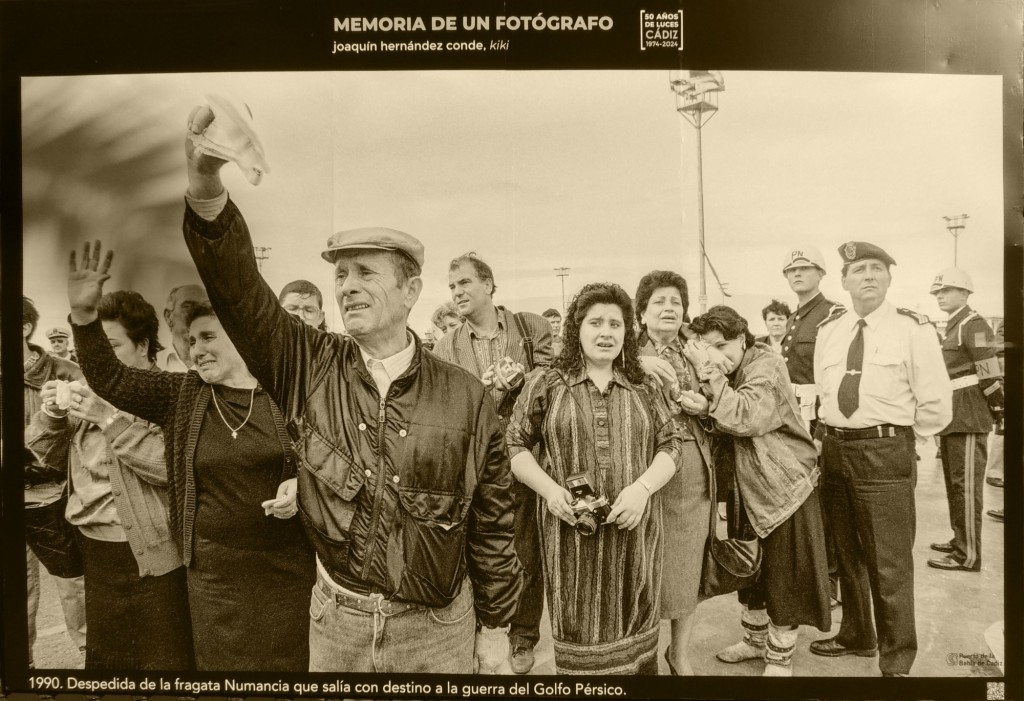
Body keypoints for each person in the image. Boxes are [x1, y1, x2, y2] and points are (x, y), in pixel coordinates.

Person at [177, 103, 522, 674]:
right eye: (341, 274)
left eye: (366, 273)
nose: (348, 287)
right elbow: (237, 291)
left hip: (437, 632)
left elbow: (491, 523)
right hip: (338, 625)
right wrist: (206, 184)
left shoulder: (466, 396)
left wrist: (496, 629)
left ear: (411, 290)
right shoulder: (308, 364)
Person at [67, 252, 314, 672]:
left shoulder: (290, 394)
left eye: (207, 337)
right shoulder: (183, 394)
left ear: (239, 336)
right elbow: (110, 378)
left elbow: (328, 464)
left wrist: (303, 487)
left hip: (287, 576)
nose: (194, 349)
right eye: (191, 340)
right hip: (212, 582)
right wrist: (83, 314)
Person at [506, 282, 681, 675]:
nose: (606, 332)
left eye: (616, 324)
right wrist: (550, 492)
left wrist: (642, 489)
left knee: (638, 642)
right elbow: (515, 445)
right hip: (569, 535)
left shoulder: (643, 385)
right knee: (579, 629)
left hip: (635, 533)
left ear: (626, 332)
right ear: (576, 329)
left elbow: (672, 445)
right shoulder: (546, 383)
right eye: (595, 323)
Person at [26, 290, 193, 670]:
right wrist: (51, 415)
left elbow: (170, 471)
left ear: (144, 345)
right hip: (95, 553)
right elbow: (41, 459)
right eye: (90, 349)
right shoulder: (86, 392)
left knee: (163, 665)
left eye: (110, 346)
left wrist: (109, 419)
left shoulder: (170, 391)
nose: (96, 359)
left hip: (156, 554)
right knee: (109, 667)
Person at [810, 241, 951, 677]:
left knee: (889, 562)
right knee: (846, 554)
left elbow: (936, 403)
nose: (868, 276)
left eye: (877, 268)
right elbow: (823, 392)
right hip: (835, 450)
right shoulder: (830, 330)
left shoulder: (913, 328)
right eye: (858, 270)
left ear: (889, 277)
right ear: (844, 280)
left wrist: (899, 439)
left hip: (885, 453)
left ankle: (896, 660)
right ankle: (857, 633)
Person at [423, 251, 553, 674]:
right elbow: (442, 405)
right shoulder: (446, 345)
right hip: (475, 463)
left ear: (489, 285)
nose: (457, 292)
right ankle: (483, 629)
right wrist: (480, 393)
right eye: (452, 285)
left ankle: (523, 636)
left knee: (526, 553)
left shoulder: (529, 327)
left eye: (464, 283)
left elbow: (557, 376)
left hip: (527, 458)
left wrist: (525, 379)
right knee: (479, 550)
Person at [685, 305, 831, 676]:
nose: (716, 357)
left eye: (722, 346)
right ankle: (753, 641)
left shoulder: (765, 364)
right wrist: (706, 406)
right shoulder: (731, 370)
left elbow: (745, 416)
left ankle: (780, 658)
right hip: (746, 489)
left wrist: (709, 377)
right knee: (749, 572)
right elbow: (722, 420)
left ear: (742, 339)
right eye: (707, 347)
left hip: (784, 491)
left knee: (784, 577)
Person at [633, 270, 712, 676]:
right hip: (644, 471)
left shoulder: (695, 352)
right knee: (644, 568)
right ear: (642, 312)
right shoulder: (626, 350)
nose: (669, 308)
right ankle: (643, 656)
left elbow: (719, 400)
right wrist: (636, 362)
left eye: (676, 303)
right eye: (659, 301)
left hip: (693, 470)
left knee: (687, 569)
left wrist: (706, 403)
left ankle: (679, 654)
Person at [21, 296, 88, 662]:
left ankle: (94, 660)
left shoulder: (64, 370)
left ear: (24, 328)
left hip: (57, 495)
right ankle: (20, 665)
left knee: (73, 584)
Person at [779, 245, 844, 610]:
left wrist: (820, 431)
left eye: (805, 268)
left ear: (821, 273)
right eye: (791, 270)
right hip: (796, 417)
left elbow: (832, 378)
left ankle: (831, 581)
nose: (797, 274)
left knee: (826, 503)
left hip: (819, 417)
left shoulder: (833, 314)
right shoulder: (794, 318)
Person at [926, 268, 1003, 572]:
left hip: (970, 415)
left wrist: (998, 408)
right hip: (954, 414)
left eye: (947, 290)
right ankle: (960, 539)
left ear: (965, 293)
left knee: (967, 487)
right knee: (955, 485)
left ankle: (968, 554)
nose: (940, 296)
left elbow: (988, 369)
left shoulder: (975, 324)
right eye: (937, 292)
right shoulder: (953, 326)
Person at [156, 284, 209, 372]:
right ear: (169, 317)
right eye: (187, 307)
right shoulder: (154, 363)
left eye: (205, 307)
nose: (198, 314)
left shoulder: (222, 364)